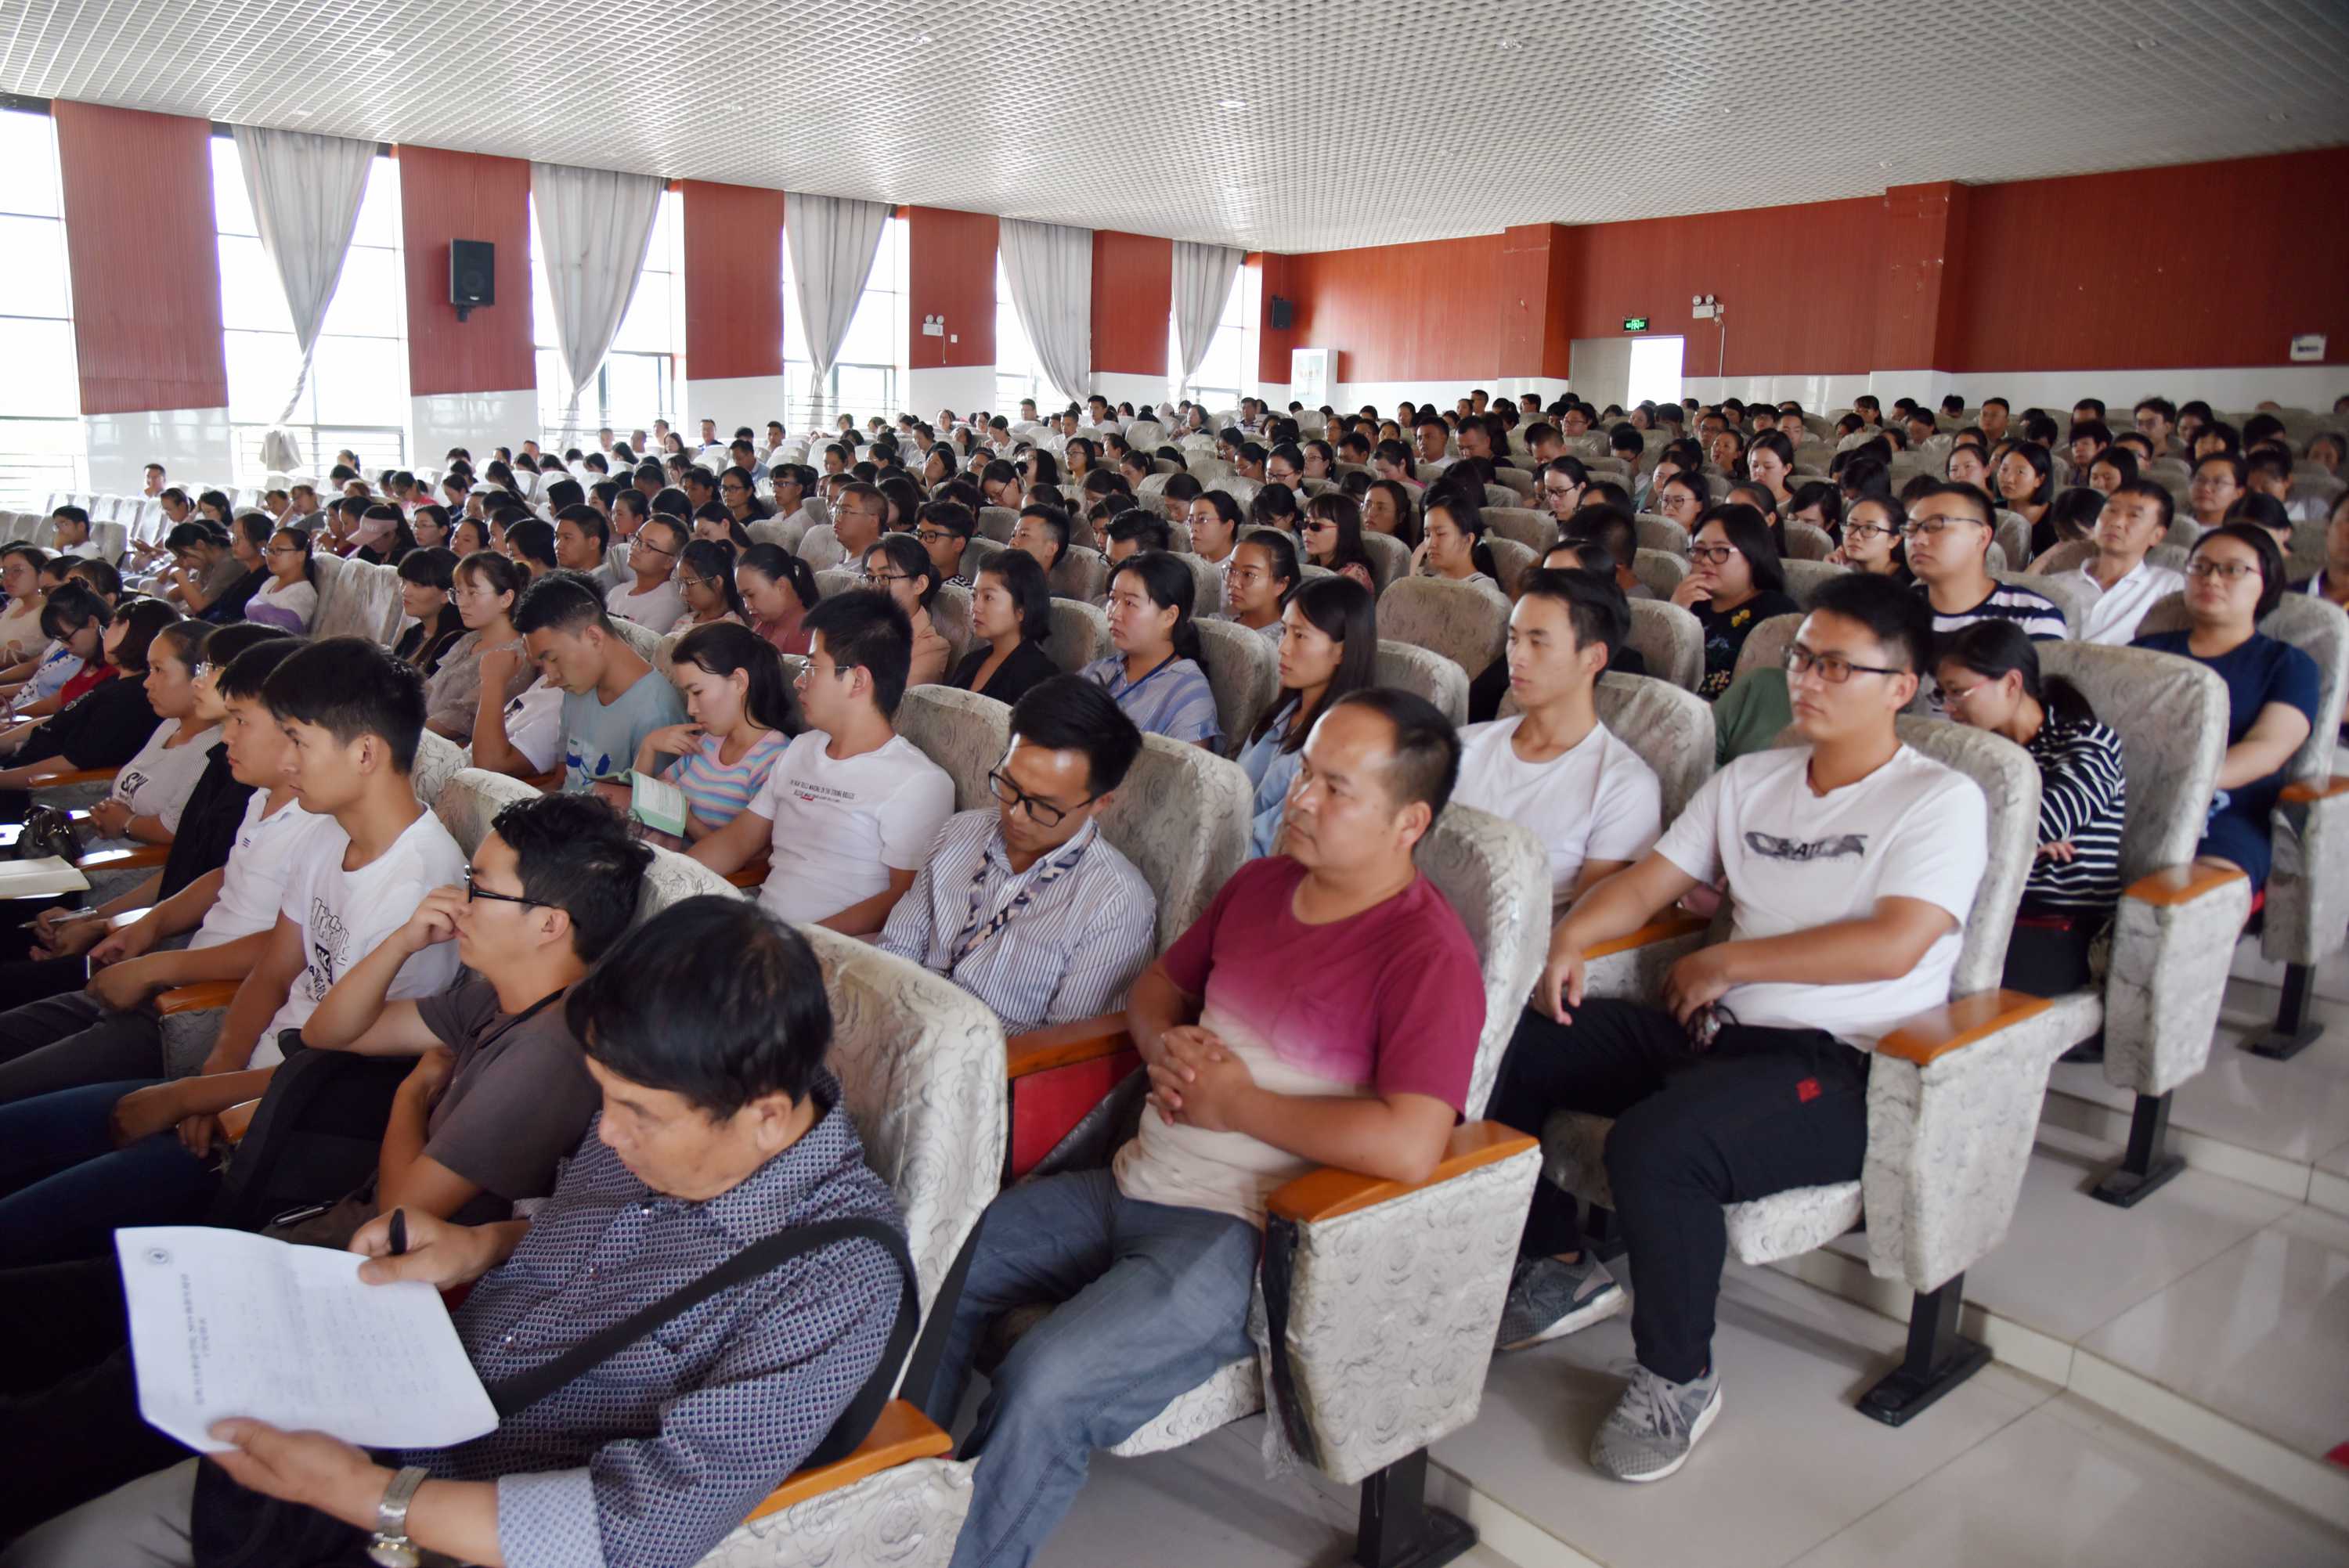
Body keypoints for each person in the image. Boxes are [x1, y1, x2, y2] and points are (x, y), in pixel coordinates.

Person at [5, 896, 906, 1568]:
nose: (607, 1132)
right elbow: (603, 1238)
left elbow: (641, 1525)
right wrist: (477, 1245)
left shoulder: (835, 1277)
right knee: (61, 1527)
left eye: (635, 1112)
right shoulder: (666, 1114)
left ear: (766, 1114)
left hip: (458, 1521)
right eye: (606, 1098)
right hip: (389, 1414)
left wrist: (365, 1493)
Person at [922, 688, 1486, 1568]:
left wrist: (1237, 1106)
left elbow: (1412, 1142)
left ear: (1408, 821)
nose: (1299, 799)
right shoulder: (1260, 886)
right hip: (1132, 1176)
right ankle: (890, 1502)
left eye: (1335, 789)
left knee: (1048, 1381)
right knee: (929, 1266)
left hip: (1238, 1231)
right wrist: (1161, 1045)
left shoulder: (1426, 954)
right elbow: (1158, 989)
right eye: (1304, 773)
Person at [1488, 573, 1986, 1481]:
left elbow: (1896, 942)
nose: (1809, 678)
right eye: (1802, 657)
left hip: (1842, 1065)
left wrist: (1728, 962)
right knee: (1513, 1041)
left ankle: (1678, 1375)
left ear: (1902, 686)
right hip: (1712, 1033)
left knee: (1658, 1146)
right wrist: (1570, 939)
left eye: (1838, 665)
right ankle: (1557, 1259)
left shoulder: (1938, 800)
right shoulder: (1752, 778)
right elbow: (1648, 882)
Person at [0, 640, 466, 1270]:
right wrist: (210, 1074)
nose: (287, 760)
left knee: (29, 1221)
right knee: (24, 1133)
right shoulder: (330, 833)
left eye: (298, 740)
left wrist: (198, 1097)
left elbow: (343, 1067)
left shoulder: (419, 885)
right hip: (237, 1082)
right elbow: (274, 971)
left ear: (364, 752)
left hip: (276, 1128)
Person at [0, 634, 310, 1100]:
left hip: (194, 1003)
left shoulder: (315, 819)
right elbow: (224, 875)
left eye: (241, 720)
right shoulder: (262, 791)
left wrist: (151, 961)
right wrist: (141, 928)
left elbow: (285, 949)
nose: (227, 733)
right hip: (162, 974)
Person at [878, 676, 1156, 1032]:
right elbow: (897, 947)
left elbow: (1064, 1046)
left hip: (998, 1059)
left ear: (1099, 803)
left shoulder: (1115, 903)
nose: (1016, 815)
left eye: (1044, 805)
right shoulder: (959, 833)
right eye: (1009, 785)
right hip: (901, 1023)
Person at [690, 591, 954, 934]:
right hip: (763, 930)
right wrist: (671, 872)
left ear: (858, 680)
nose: (799, 681)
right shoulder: (802, 749)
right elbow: (739, 841)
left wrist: (798, 942)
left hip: (838, 950)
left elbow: (904, 899)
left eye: (812, 667)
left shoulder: (919, 782)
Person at [1937, 621, 2126, 995]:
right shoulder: (1976, 751)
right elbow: (1938, 823)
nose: (1949, 708)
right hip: (1978, 908)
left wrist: (2020, 840)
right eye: (1942, 694)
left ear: (2011, 683)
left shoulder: (2088, 742)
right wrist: (2021, 844)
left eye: (1958, 692)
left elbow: (2040, 824)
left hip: (2056, 921)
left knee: (1955, 1000)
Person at [2133, 524, 2319, 892]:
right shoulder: (2146, 652)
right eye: (2200, 567)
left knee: (2180, 898)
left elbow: (2267, 749)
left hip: (2228, 810)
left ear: (2267, 583)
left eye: (2233, 569)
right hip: (2132, 796)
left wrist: (2182, 785)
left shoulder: (2288, 664)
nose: (2212, 579)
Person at [1457, 570, 1662, 906]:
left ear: (1594, 657)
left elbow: (1587, 923)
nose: (1517, 657)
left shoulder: (1621, 787)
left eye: (1538, 642)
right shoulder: (1465, 746)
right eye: (1513, 638)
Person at [616, 622, 799, 844]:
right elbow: (641, 808)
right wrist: (649, 747)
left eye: (697, 692)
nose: (691, 709)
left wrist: (688, 820)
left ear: (739, 682)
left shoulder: (774, 758)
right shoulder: (709, 742)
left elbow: (753, 856)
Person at [1233, 576, 1376, 856]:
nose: (1283, 647)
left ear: (1342, 651)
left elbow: (1271, 842)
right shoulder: (1283, 713)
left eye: (1300, 636)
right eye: (1284, 631)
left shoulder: (1342, 746)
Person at [514, 574, 689, 795]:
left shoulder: (656, 712)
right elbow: (563, 781)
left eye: (554, 659)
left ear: (594, 638)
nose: (551, 675)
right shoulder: (577, 688)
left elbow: (652, 809)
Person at [0, 599, 175, 798]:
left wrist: (3, 778)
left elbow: (71, 763)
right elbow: (56, 721)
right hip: (18, 765)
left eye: (108, 627)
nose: (104, 635)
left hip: (35, 793)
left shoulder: (127, 699)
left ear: (125, 629)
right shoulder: (116, 682)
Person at [1904, 481, 2066, 654]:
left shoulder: (2033, 617)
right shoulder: (1893, 612)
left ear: (1982, 537)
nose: (1917, 540)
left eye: (1935, 526)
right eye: (1911, 528)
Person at [1084, 551, 1219, 748]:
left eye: (1130, 603)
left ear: (1169, 616)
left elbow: (1183, 767)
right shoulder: (1102, 669)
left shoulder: (1189, 696)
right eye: (1113, 598)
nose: (1114, 613)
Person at [1671, 503, 1797, 701]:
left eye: (1720, 550)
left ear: (1753, 553)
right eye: (1699, 550)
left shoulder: (1777, 613)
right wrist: (1674, 612)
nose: (1705, 560)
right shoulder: (1689, 600)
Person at [423, 550, 535, 741]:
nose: (462, 603)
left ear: (506, 598)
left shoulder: (516, 656)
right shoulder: (469, 640)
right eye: (458, 592)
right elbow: (430, 690)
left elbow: (460, 719)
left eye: (473, 593)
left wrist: (401, 733)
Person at [2073, 480, 2188, 646]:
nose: (2116, 522)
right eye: (2111, 511)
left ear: (2157, 535)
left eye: (2134, 515)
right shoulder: (2057, 584)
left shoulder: (2168, 586)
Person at [951, 549, 1061, 708]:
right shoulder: (970, 662)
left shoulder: (1041, 678)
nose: (975, 607)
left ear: (1022, 610)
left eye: (988, 597)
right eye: (974, 596)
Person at [861, 534, 951, 687]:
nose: (873, 587)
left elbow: (894, 699)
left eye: (885, 578)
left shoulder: (931, 648)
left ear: (919, 585)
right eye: (870, 577)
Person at [602, 513, 688, 633]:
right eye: (637, 538)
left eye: (649, 546)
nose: (636, 547)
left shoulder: (669, 604)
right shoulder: (618, 591)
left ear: (669, 561)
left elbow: (643, 644)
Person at [740, 542, 818, 656]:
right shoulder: (763, 624)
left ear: (781, 585)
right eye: (743, 597)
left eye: (751, 595)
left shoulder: (808, 634)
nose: (747, 606)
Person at [1223, 528, 1298, 640]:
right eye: (1231, 570)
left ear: (1280, 585)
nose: (1233, 583)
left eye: (1248, 574)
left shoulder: (1285, 642)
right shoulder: (1216, 626)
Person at [1416, 493, 1500, 588]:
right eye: (1427, 535)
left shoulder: (1481, 589)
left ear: (1468, 539)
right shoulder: (1429, 582)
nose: (1431, 543)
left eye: (1441, 534)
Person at [246, 525, 318, 633]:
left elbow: (285, 632)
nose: (270, 555)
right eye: (269, 550)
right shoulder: (272, 581)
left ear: (301, 555)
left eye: (279, 550)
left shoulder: (303, 593)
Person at [1301, 492, 1377, 590]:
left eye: (1316, 526)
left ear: (1344, 530)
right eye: (1305, 524)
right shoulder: (1311, 568)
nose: (1306, 532)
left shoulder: (1352, 576)